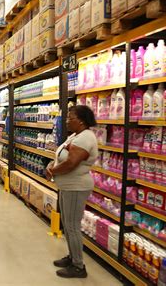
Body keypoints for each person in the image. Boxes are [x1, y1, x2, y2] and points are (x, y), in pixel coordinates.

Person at [46, 105, 98, 279]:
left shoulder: (85, 138)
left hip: (76, 187)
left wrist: (53, 171)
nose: (67, 120)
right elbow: (64, 157)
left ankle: (78, 266)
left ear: (81, 121)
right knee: (68, 225)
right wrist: (52, 165)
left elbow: (71, 163)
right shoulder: (77, 136)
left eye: (70, 117)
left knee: (73, 227)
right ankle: (72, 256)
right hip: (68, 186)